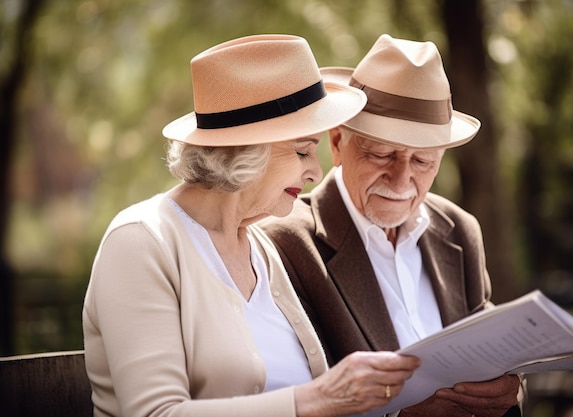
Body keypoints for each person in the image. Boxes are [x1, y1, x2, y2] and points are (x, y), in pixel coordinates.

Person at [81, 34, 421, 417]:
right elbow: (155, 413)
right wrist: (320, 399)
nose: (316, 171)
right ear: (244, 150)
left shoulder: (262, 248)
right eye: (302, 150)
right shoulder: (140, 242)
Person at [260, 34, 523, 417]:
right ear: (336, 143)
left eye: (423, 162)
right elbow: (289, 399)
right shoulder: (286, 242)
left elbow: (497, 360)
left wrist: (509, 389)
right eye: (382, 154)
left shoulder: (459, 231)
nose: (401, 181)